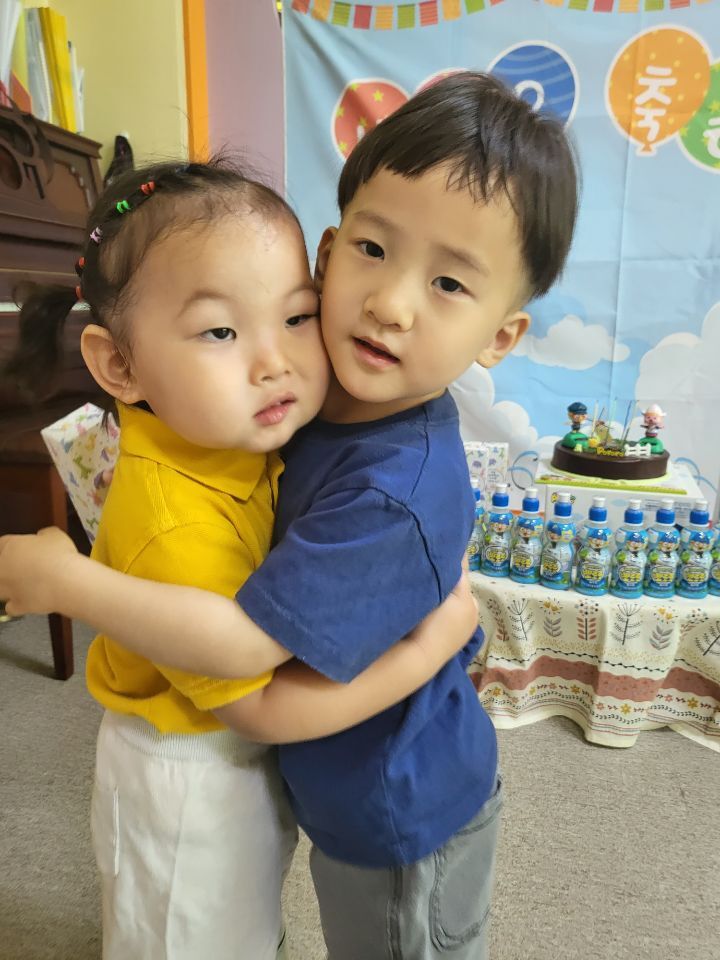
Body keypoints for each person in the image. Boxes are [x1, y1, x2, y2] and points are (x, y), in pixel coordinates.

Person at [0, 72, 579, 958]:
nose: (390, 303)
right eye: (374, 250)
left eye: (450, 284)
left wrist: (439, 639)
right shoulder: (309, 396)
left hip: (396, 810)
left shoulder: (389, 493)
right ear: (327, 254)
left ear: (500, 336)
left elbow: (261, 699)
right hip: (328, 776)